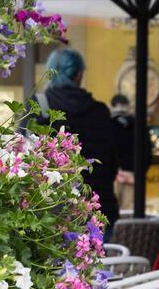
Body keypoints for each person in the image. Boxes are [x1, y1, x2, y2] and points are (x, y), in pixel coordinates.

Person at [40, 49, 119, 229]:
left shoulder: (40, 106)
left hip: (53, 211)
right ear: (78, 75)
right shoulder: (100, 111)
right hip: (100, 207)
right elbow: (112, 161)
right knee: (100, 256)